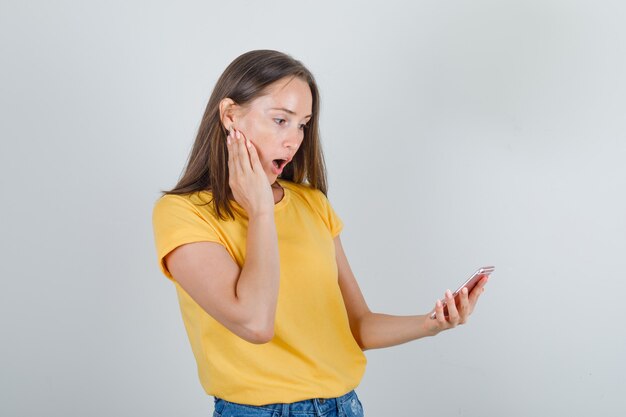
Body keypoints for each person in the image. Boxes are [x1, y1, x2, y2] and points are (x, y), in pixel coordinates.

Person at [151, 49, 488, 417]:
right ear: (230, 115)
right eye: (281, 119)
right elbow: (254, 322)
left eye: (303, 124)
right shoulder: (183, 214)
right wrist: (261, 209)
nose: (293, 140)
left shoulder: (312, 204)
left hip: (344, 406)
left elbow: (358, 326)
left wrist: (431, 324)